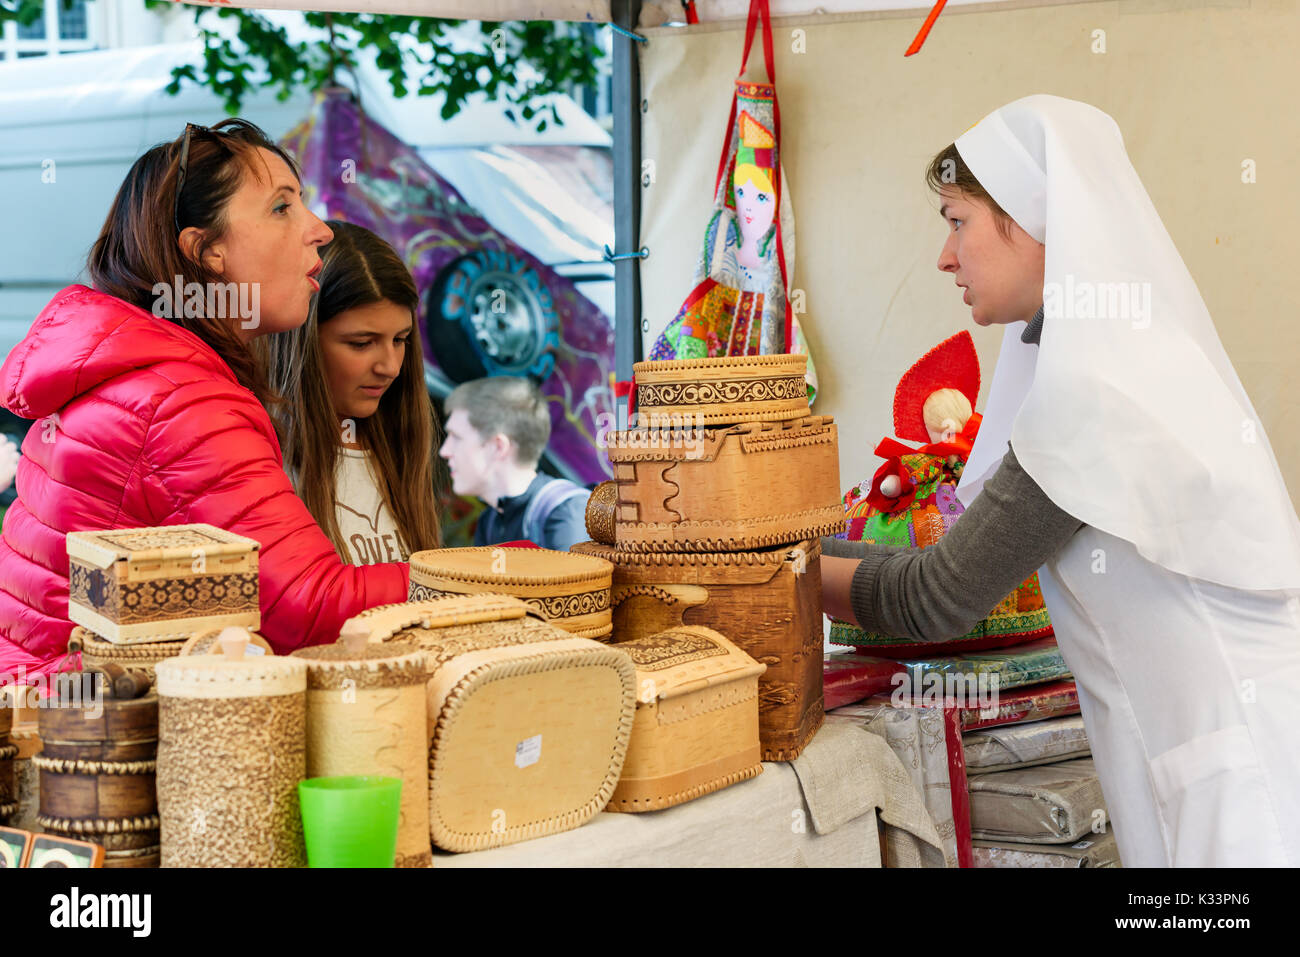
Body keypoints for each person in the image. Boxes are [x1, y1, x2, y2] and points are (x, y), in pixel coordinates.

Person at [821, 95, 1300, 867]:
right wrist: (797, 544)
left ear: (1032, 217)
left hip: (1248, 801)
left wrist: (767, 568)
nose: (945, 257)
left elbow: (936, 594)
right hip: (1222, 766)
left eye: (955, 221)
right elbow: (936, 571)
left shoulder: (1097, 393)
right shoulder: (1124, 354)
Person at [0, 119, 409, 674]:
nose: (320, 230)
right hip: (89, 729)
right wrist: (509, 572)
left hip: (50, 712)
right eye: (282, 208)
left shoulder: (137, 371)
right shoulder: (180, 400)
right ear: (206, 251)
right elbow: (309, 609)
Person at [264, 220, 441, 566]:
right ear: (303, 341)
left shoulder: (400, 443)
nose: (390, 366)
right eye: (362, 344)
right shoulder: (262, 458)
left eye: (400, 340)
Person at [439, 376, 589, 551]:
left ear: (498, 447)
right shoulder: (490, 521)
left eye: (456, 437)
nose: (445, 451)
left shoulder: (567, 514)